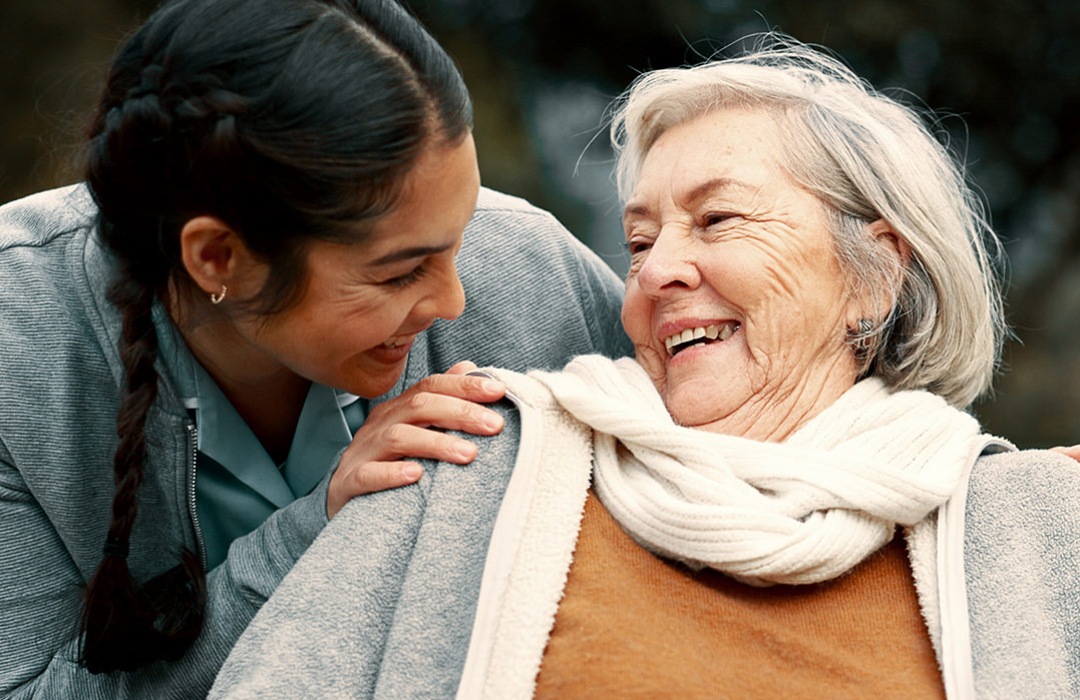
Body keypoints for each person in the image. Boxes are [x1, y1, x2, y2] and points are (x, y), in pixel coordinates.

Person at [208, 36, 1080, 699]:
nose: (656, 271)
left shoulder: (1033, 521)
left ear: (876, 273)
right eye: (637, 242)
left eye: (719, 220)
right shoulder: (467, 463)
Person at [0, 0, 632, 696]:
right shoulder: (18, 338)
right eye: (399, 273)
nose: (454, 301)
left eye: (460, 236)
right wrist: (316, 531)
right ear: (218, 258)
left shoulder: (528, 273)